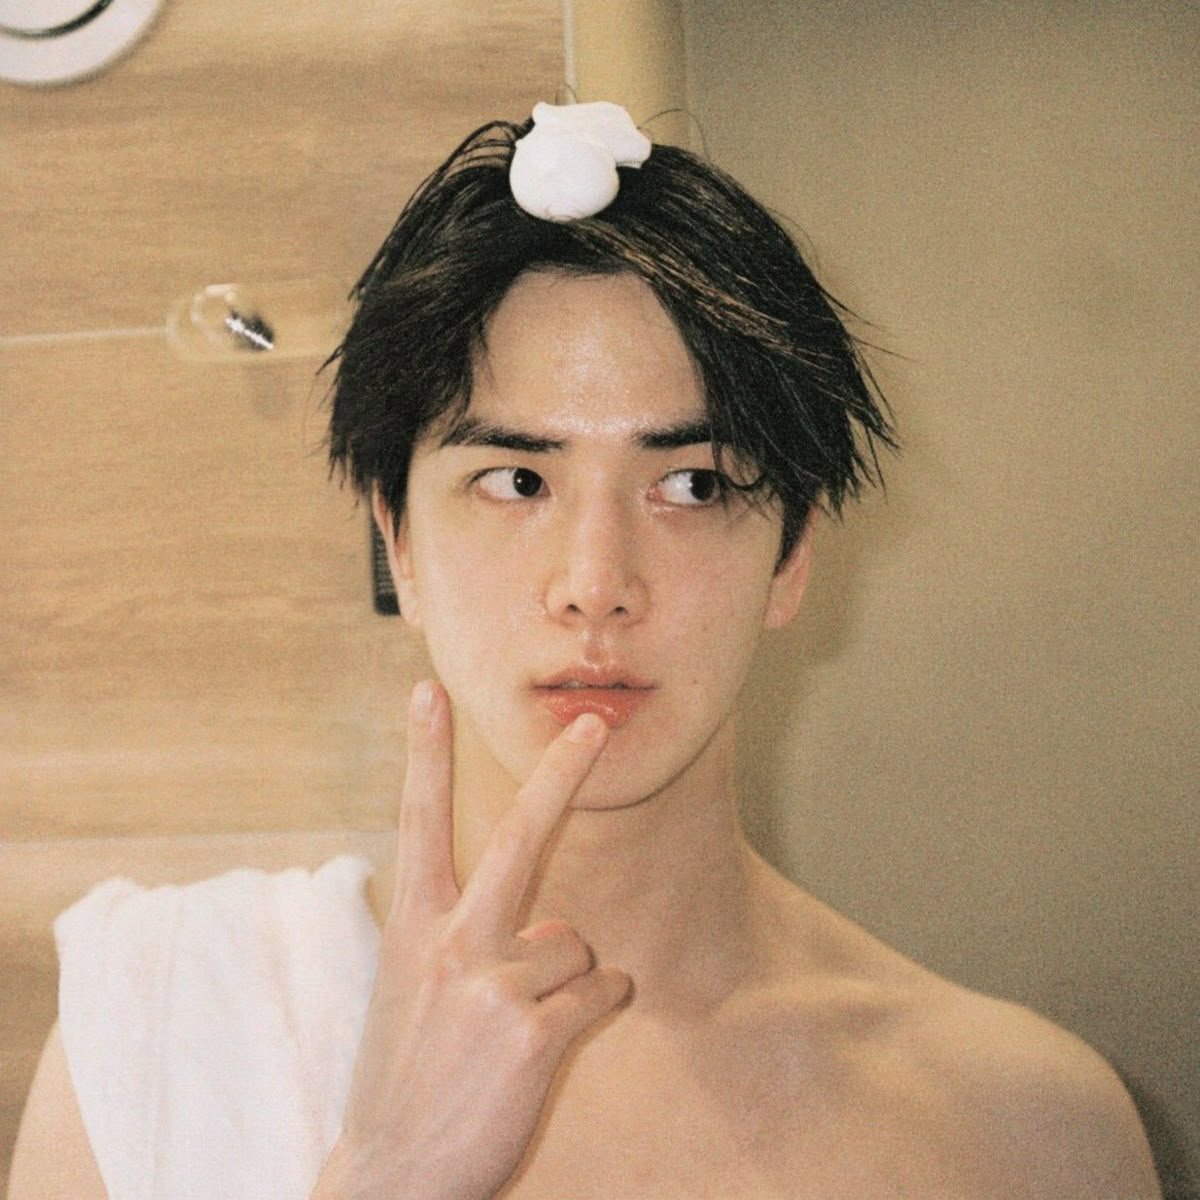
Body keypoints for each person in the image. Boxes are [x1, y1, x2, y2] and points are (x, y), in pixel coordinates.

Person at [9, 102, 1160, 1200]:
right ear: (399, 543)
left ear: (794, 552)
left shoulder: (1024, 1125)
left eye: (691, 485)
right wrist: (385, 1174)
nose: (596, 583)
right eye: (517, 481)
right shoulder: (165, 1025)